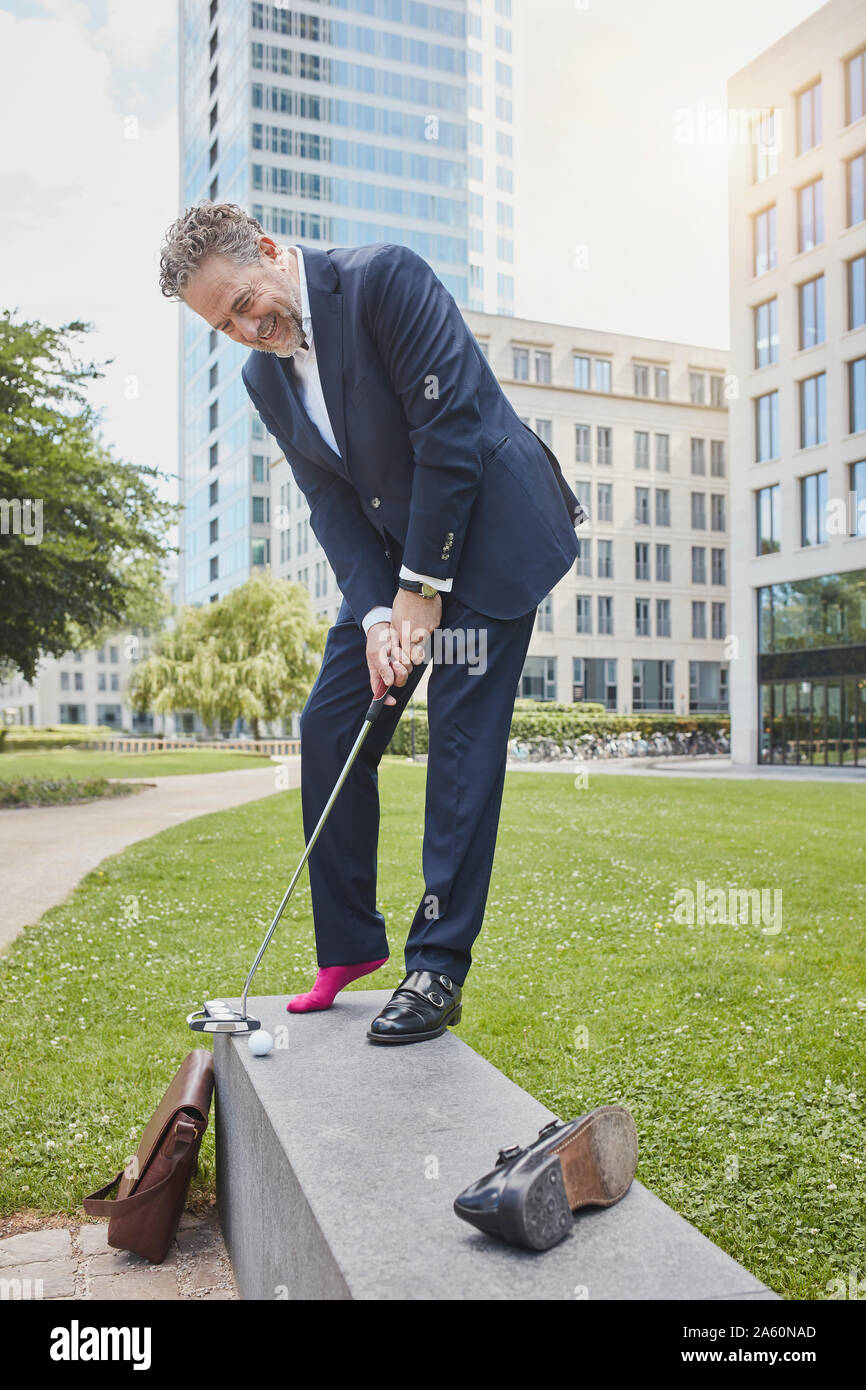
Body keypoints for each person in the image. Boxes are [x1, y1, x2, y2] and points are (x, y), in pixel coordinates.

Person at [159, 203, 586, 1045]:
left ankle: (435, 969)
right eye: (224, 324)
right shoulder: (263, 378)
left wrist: (424, 591)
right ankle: (351, 943)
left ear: (274, 253)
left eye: (245, 301)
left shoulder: (383, 279)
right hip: (396, 566)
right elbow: (330, 502)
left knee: (458, 747)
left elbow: (450, 433)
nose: (247, 328)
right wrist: (375, 614)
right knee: (330, 722)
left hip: (493, 540)